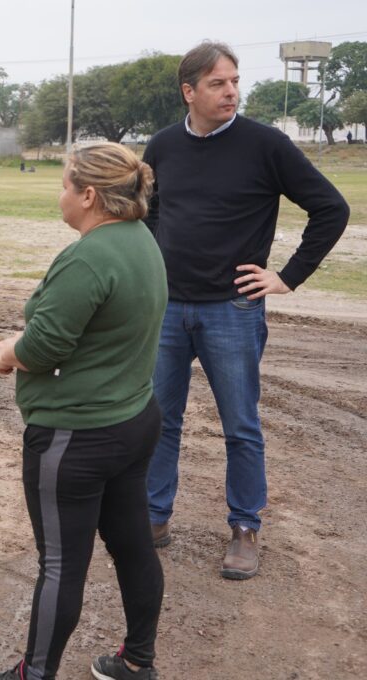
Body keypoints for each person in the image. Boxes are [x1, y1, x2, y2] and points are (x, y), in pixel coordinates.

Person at [143, 41, 349, 580]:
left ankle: (244, 528)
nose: (231, 91)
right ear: (189, 92)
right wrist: (153, 265)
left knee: (240, 424)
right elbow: (149, 210)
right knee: (159, 420)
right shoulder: (162, 146)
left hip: (232, 310)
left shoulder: (266, 145)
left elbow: (331, 208)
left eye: (234, 81)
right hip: (167, 309)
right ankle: (154, 517)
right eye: (218, 83)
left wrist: (287, 276)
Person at [0, 143, 168, 680]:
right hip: (133, 420)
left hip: (77, 437)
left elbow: (44, 346)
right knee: (133, 546)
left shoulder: (88, 257)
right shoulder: (141, 239)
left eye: (64, 184)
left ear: (89, 196)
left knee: (61, 565)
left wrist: (6, 352)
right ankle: (137, 661)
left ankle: (34, 675)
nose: (60, 192)